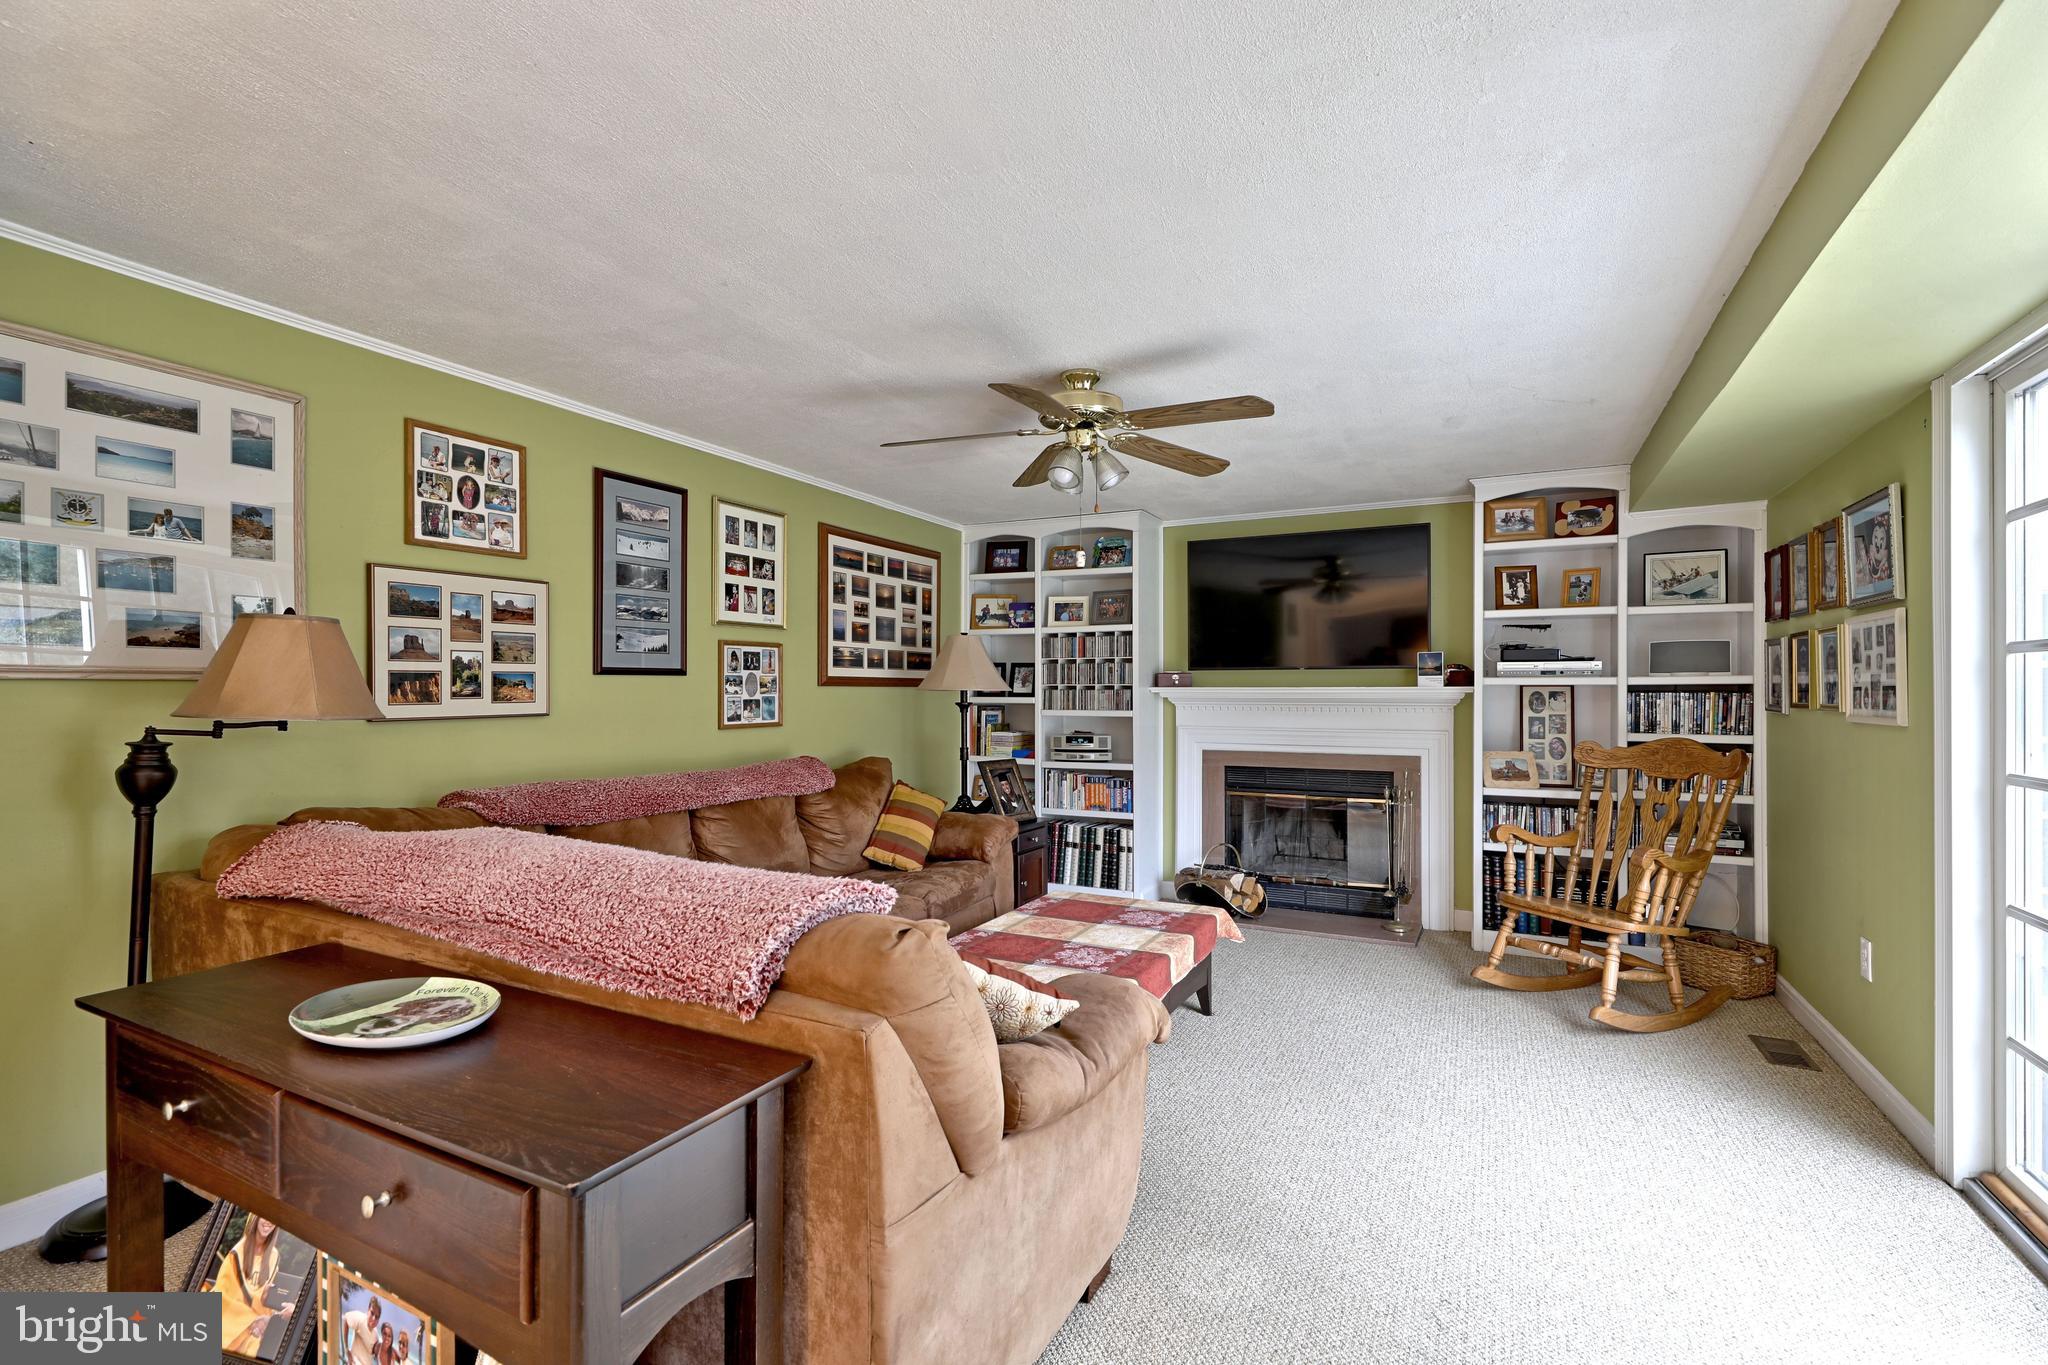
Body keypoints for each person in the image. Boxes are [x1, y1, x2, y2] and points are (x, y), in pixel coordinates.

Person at [214, 1214, 293, 1354]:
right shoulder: (236, 1254)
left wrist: (269, 1314)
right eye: (265, 1215)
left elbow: (268, 1296)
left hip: (260, 1321)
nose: (269, 1221)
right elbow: (224, 1295)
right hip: (234, 1320)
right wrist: (253, 1320)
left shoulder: (273, 1256)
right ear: (255, 1217)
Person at [340, 1293, 381, 1365]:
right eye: (372, 1313)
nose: (374, 1318)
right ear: (368, 1310)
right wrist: (347, 1349)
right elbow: (346, 1320)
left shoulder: (376, 1334)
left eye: (377, 1317)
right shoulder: (360, 1319)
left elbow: (374, 1354)